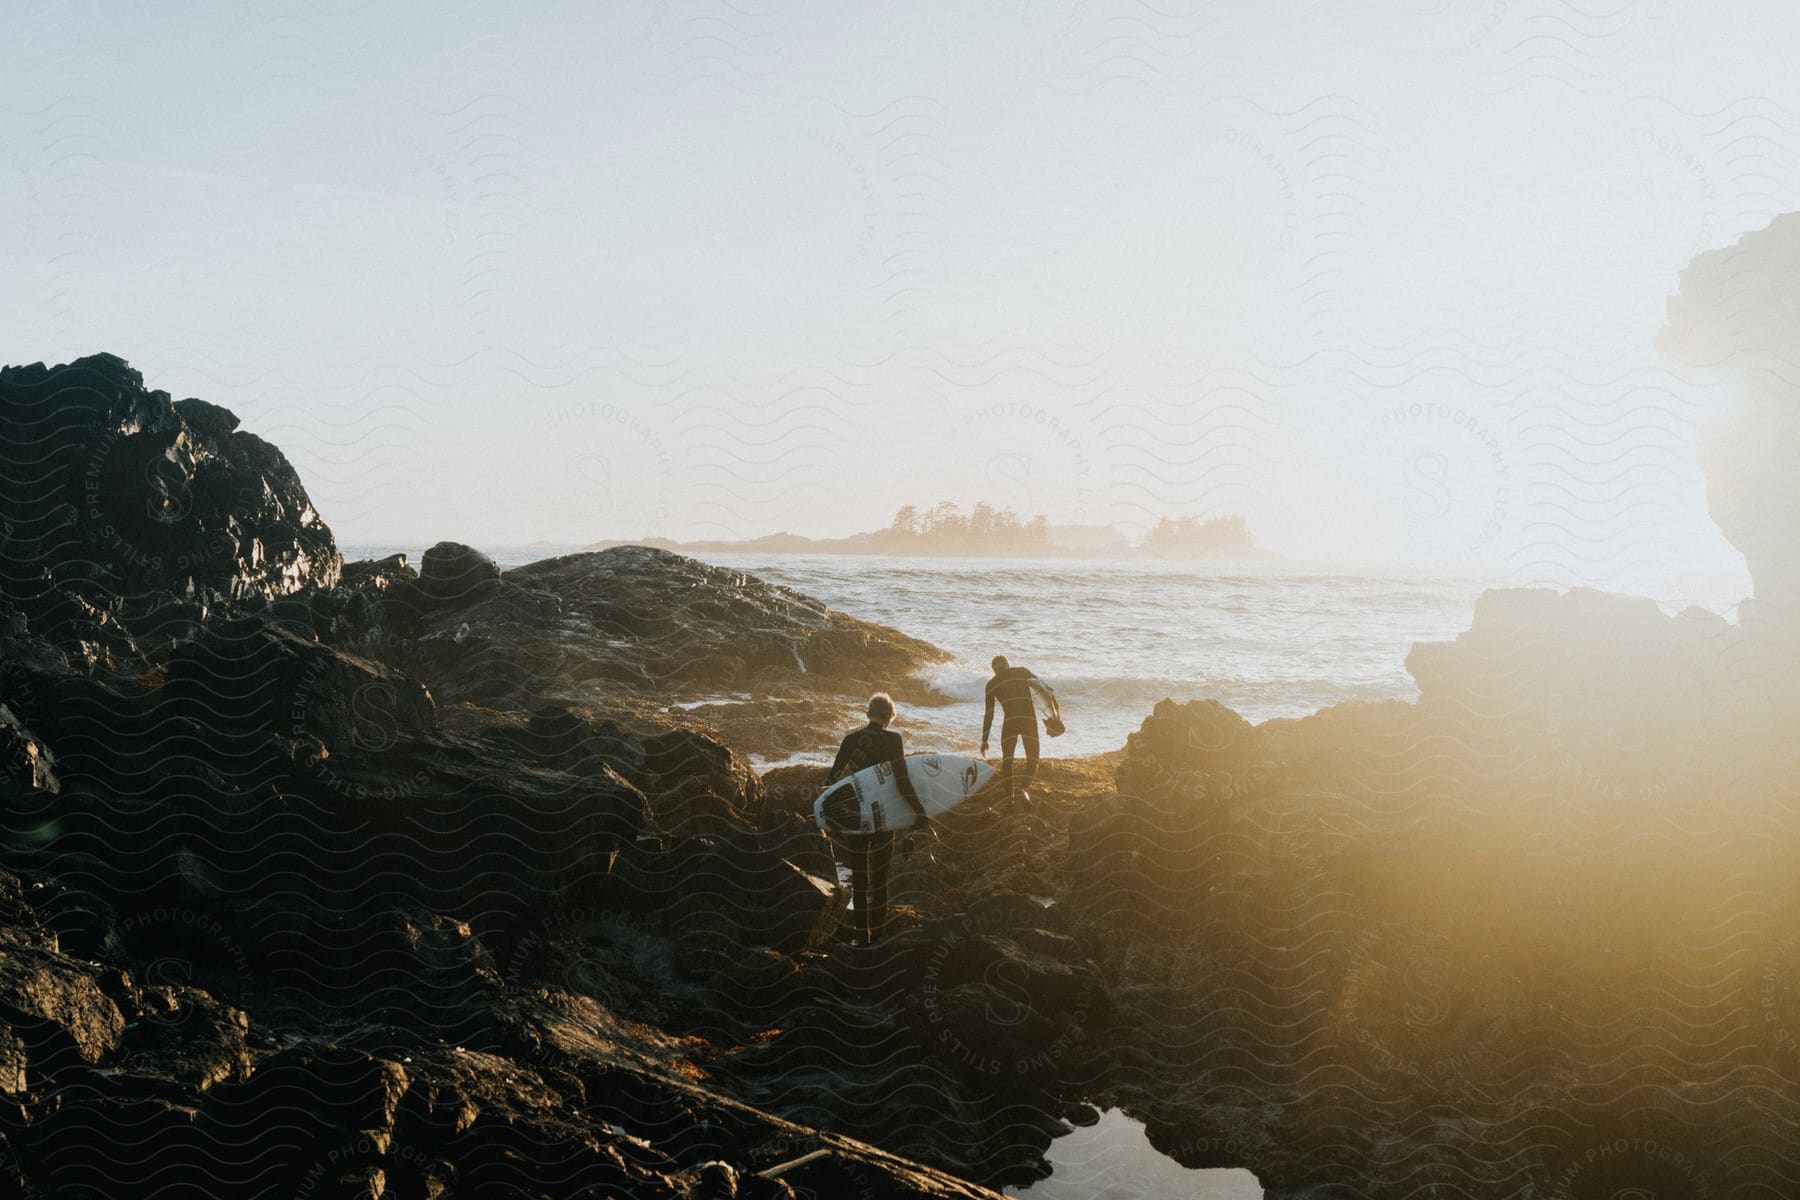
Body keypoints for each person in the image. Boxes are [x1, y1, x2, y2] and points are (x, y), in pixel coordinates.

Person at [824, 692, 928, 946]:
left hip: (856, 818)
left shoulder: (851, 740)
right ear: (891, 716)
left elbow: (832, 781)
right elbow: (901, 780)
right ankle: (877, 937)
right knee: (880, 879)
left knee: (859, 878)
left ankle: (862, 937)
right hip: (882, 817)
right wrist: (918, 810)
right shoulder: (893, 740)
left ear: (868, 713)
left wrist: (832, 818)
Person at [981, 655, 1057, 800]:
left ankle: (1010, 796)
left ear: (994, 670)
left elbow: (989, 714)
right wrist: (1055, 715)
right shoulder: (1021, 672)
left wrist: (984, 740)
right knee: (1033, 760)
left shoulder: (992, 684)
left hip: (1010, 723)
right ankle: (1024, 787)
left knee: (1007, 761)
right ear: (1008, 665)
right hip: (1028, 721)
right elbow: (1045, 689)